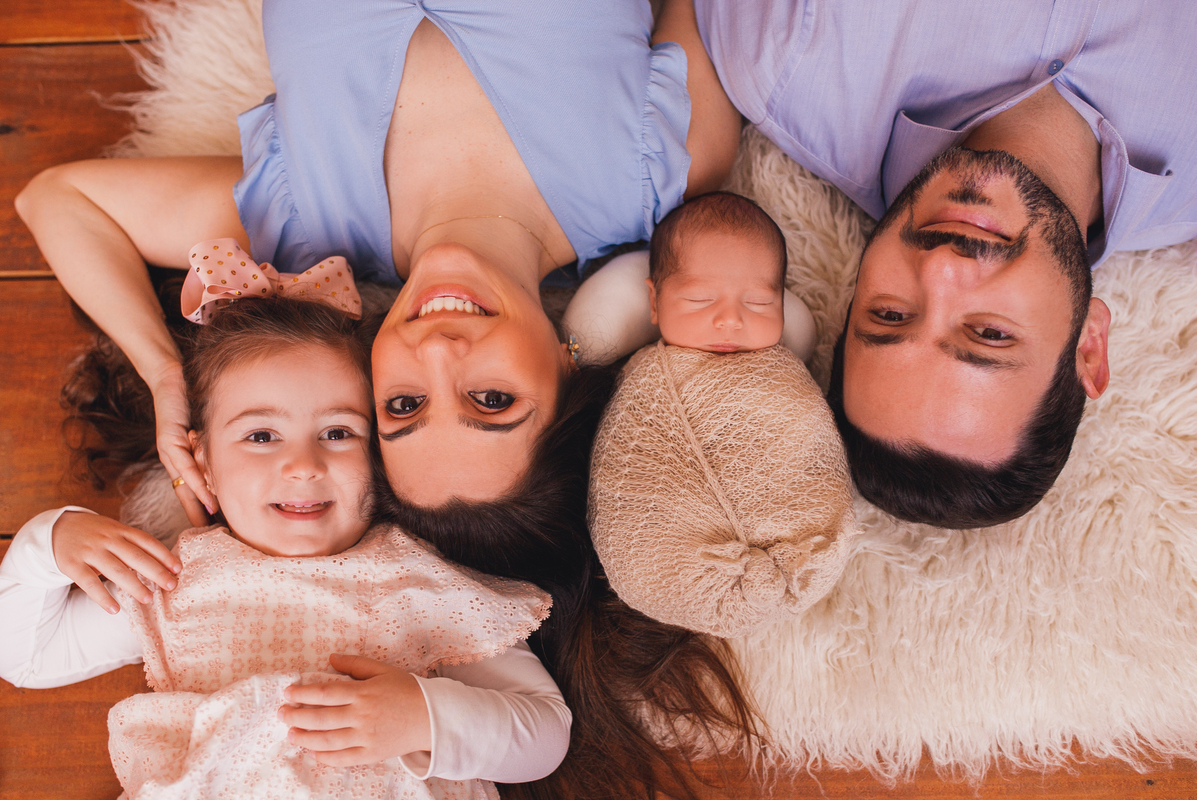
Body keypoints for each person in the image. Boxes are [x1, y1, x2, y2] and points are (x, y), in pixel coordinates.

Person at [14, 0, 741, 522]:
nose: (440, 354)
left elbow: (60, 200)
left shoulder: (305, 221)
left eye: (404, 405)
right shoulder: (662, 169)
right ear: (566, 370)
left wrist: (167, 375)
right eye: (491, 401)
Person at [0, 296, 571, 797]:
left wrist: (423, 718)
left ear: (378, 456)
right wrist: (50, 542)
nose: (302, 465)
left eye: (338, 433)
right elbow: (23, 657)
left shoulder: (422, 580)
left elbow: (544, 735)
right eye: (261, 436)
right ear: (201, 462)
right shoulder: (175, 581)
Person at [690, 0, 1197, 528]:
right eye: (989, 333)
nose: (940, 268)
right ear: (1089, 347)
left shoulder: (783, 59)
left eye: (889, 316)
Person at [647, 190, 787, 354]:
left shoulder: (790, 367)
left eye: (758, 302)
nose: (730, 320)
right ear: (654, 302)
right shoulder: (647, 371)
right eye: (699, 299)